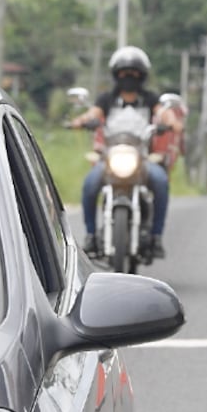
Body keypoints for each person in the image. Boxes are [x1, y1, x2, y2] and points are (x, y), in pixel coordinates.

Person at [69, 45, 183, 258]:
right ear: (116, 75)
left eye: (134, 72)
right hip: (110, 157)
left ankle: (156, 236)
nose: (128, 77)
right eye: (124, 72)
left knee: (160, 182)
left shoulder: (149, 99)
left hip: (141, 157)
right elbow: (93, 113)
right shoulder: (106, 99)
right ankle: (91, 235)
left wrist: (171, 121)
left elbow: (164, 114)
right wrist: (81, 121)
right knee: (90, 184)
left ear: (142, 76)